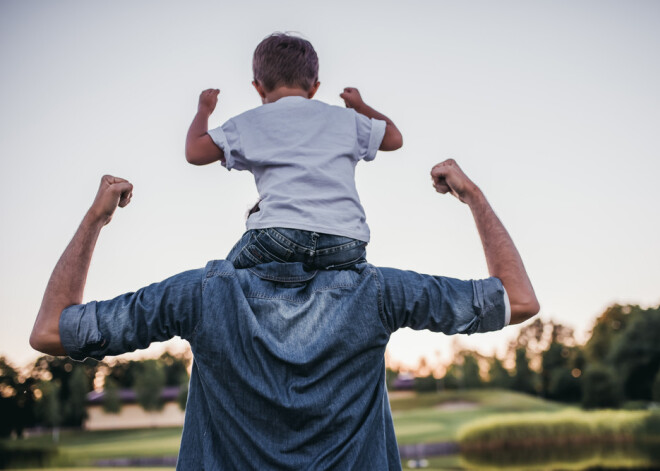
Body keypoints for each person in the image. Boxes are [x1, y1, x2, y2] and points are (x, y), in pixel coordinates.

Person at [30, 159, 539, 470]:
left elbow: (52, 330)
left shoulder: (201, 294)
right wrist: (472, 195)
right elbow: (518, 300)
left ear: (254, 228)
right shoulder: (378, 292)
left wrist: (96, 218)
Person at [185, 32, 403, 270]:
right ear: (314, 88)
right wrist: (360, 106)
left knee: (223, 279)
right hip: (346, 241)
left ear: (258, 88)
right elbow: (394, 138)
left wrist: (204, 110)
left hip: (280, 236)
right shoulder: (345, 119)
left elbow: (195, 152)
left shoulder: (250, 122)